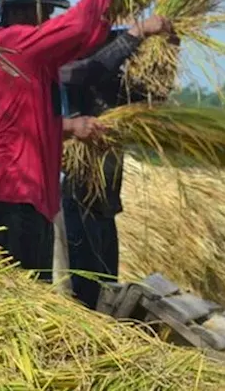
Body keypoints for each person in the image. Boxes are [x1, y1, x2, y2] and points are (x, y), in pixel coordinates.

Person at [0, 0, 135, 280]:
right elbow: (78, 26)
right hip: (16, 193)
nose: (48, 19)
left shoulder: (36, 58)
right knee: (21, 296)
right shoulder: (14, 44)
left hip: (35, 194)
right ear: (23, 10)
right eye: (45, 11)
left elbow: (89, 37)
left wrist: (72, 127)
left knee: (36, 289)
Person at [57, 15, 174, 309]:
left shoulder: (114, 87)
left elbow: (154, 98)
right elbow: (87, 72)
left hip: (106, 202)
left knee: (105, 287)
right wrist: (136, 34)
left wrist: (169, 48)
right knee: (83, 290)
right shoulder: (67, 71)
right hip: (76, 197)